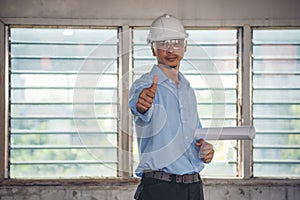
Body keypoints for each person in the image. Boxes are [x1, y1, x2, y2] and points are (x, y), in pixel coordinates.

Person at [129, 14, 214, 200]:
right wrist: (142, 104)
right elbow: (139, 105)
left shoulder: (188, 89)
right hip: (160, 189)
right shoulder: (144, 85)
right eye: (162, 43)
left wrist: (205, 149)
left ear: (185, 47)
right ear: (153, 49)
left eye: (176, 42)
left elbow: (195, 135)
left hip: (193, 187)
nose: (170, 49)